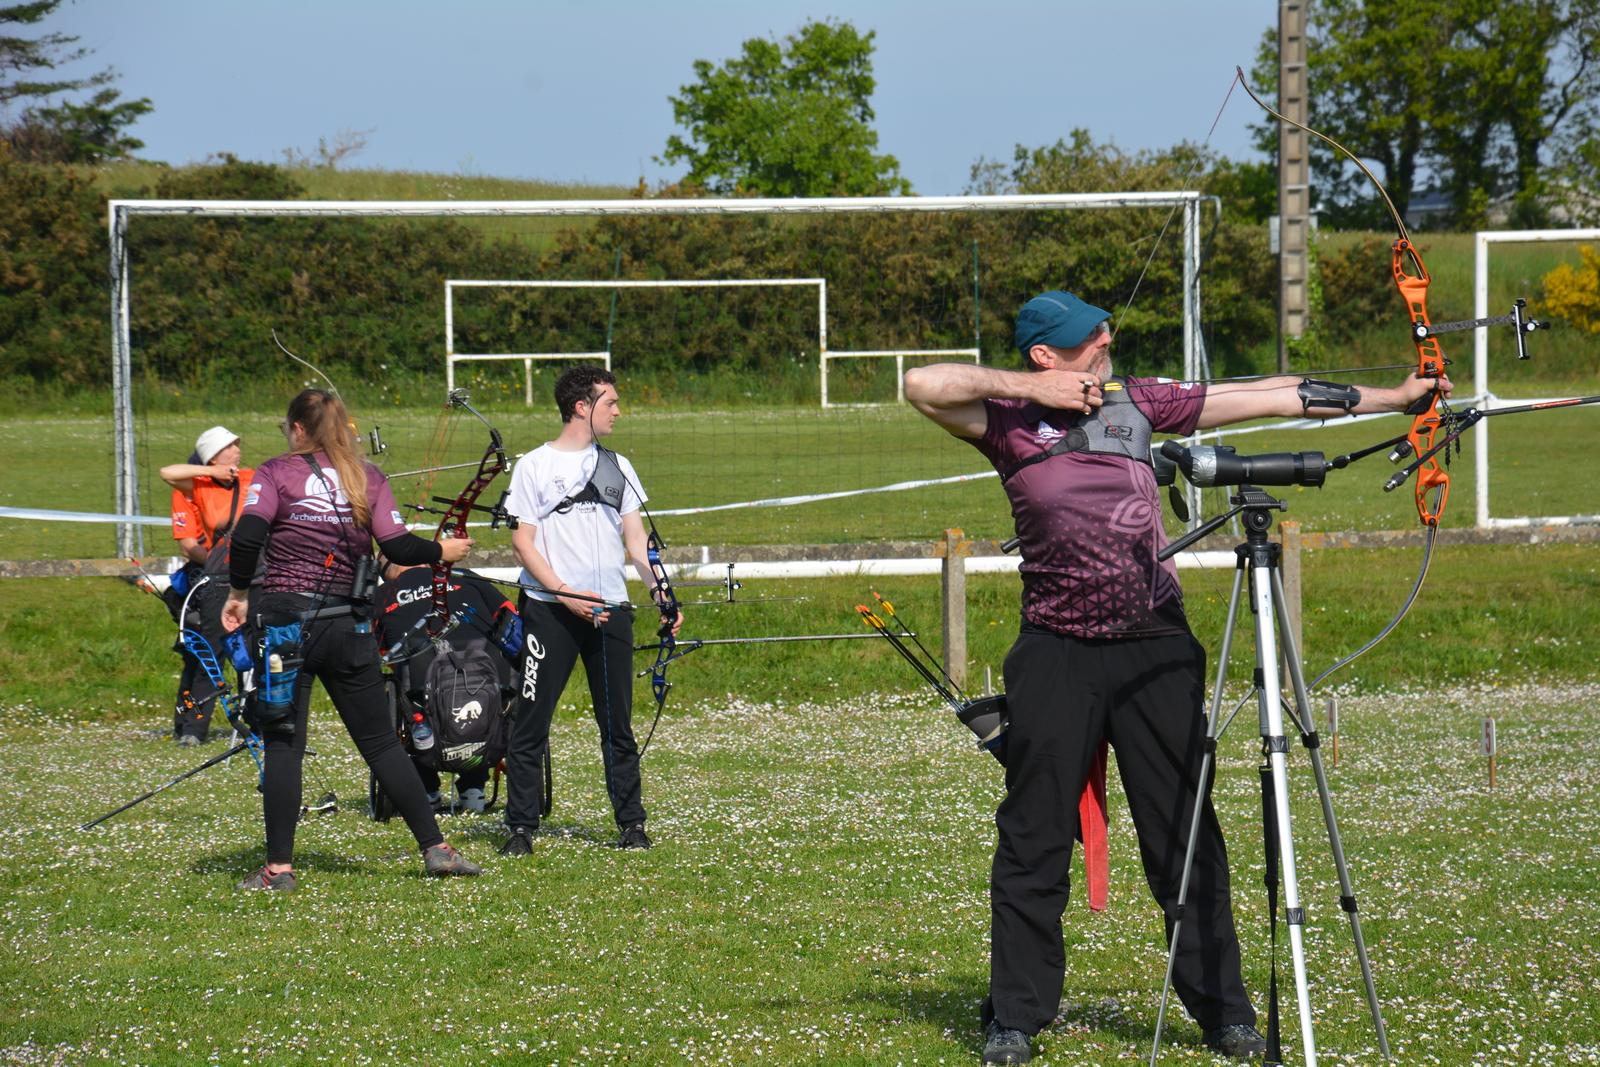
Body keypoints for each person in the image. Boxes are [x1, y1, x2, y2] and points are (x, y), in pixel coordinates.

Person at [903, 290, 1450, 1065]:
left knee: (1185, 833)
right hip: (1056, 650)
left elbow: (1270, 395)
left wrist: (1394, 397)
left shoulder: (1137, 401)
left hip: (1155, 648)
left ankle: (1224, 1011)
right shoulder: (1005, 420)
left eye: (1104, 330)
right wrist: (1034, 389)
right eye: (1088, 338)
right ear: (1045, 354)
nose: (1106, 342)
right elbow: (921, 383)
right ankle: (1016, 1015)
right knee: (1034, 834)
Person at [220, 388, 483, 891]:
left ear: (298, 429)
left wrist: (237, 594)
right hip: (350, 625)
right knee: (381, 743)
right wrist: (442, 551)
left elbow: (248, 537)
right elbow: (398, 545)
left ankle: (278, 870)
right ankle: (436, 849)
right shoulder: (368, 476)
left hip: (286, 626)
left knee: (283, 744)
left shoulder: (274, 473)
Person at [498, 365, 682, 857]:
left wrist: (661, 595)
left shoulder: (617, 465)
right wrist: (563, 593)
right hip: (550, 612)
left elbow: (637, 542)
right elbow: (522, 543)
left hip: (609, 612)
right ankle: (520, 827)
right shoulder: (533, 466)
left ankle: (631, 824)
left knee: (617, 726)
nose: (618, 411)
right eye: (610, 403)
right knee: (531, 722)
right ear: (582, 407)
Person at [373, 558, 516, 812]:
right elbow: (509, 615)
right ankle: (474, 787)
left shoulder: (382, 595)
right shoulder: (465, 575)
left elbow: (379, 652)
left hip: (422, 689)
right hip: (489, 681)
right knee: (485, 692)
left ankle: (426, 789)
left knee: (408, 698)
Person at [161, 426, 253, 745]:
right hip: (208, 577)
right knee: (203, 656)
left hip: (247, 573)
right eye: (230, 447)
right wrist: (218, 562)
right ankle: (189, 726)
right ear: (212, 458)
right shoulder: (190, 489)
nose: (238, 451)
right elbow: (188, 545)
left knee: (253, 650)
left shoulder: (247, 480)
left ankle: (254, 722)